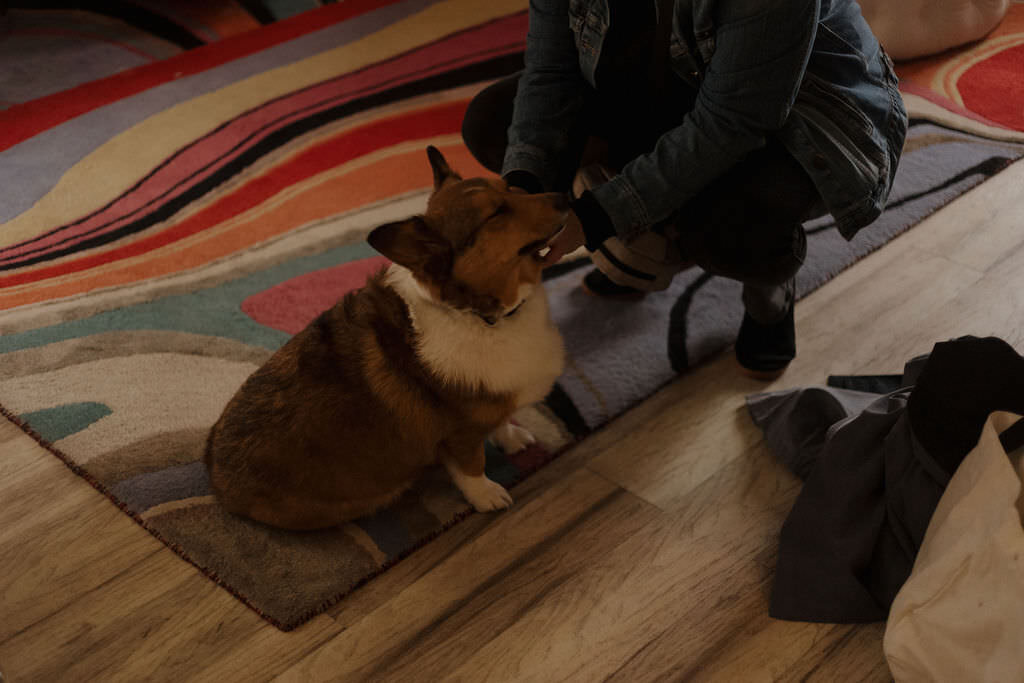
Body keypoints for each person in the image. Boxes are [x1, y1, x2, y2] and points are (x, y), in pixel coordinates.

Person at [461, 0, 908, 379]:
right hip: (668, 87)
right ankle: (646, 237)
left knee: (725, 226)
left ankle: (766, 287)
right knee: (493, 125)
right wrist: (522, 193)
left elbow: (734, 121)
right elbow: (551, 70)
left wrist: (597, 218)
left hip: (803, 121)